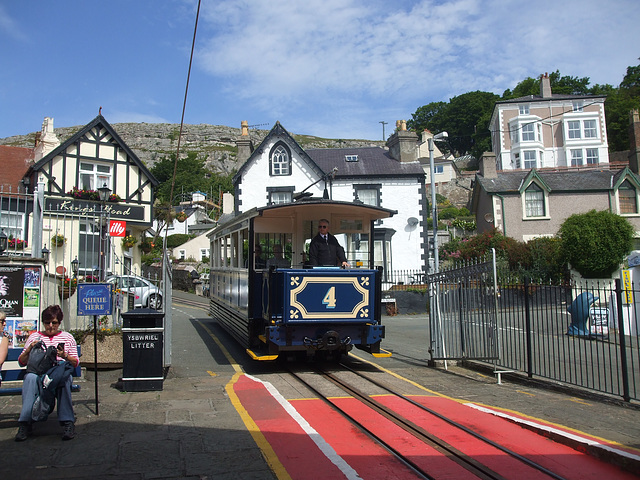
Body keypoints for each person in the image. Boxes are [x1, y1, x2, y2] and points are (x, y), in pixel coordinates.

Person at [15, 305, 80, 442]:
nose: (50, 326)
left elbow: (75, 363)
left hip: (56, 373)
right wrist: (29, 349)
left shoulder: (67, 337)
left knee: (64, 379)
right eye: (47, 322)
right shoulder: (35, 337)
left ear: (59, 323)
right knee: (30, 378)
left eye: (54, 322)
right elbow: (22, 362)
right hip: (39, 373)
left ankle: (67, 422)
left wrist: (64, 355)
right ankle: (25, 423)